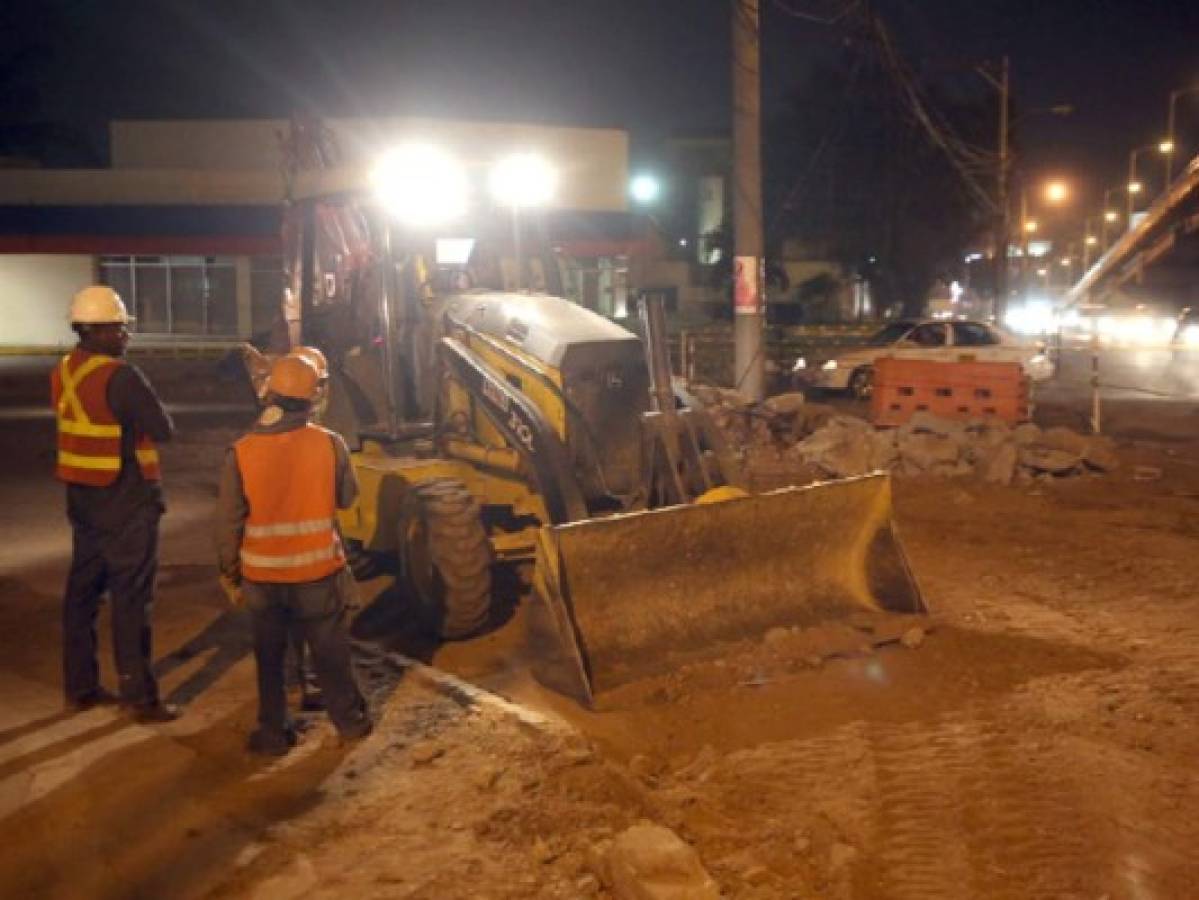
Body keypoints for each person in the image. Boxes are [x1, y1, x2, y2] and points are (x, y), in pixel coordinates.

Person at [217, 354, 371, 756]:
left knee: (270, 658)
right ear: (314, 396)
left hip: (263, 578)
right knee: (330, 653)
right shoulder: (329, 443)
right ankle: (350, 722)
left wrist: (229, 572)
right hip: (317, 573)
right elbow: (348, 496)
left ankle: (273, 732)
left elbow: (229, 520)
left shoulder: (242, 450)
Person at [52, 285, 179, 722]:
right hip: (126, 500)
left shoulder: (64, 371)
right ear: (99, 330)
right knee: (130, 599)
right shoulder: (121, 377)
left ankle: (80, 688)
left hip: (83, 498)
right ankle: (139, 697)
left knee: (82, 595)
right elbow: (163, 429)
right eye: (120, 329)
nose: (125, 337)